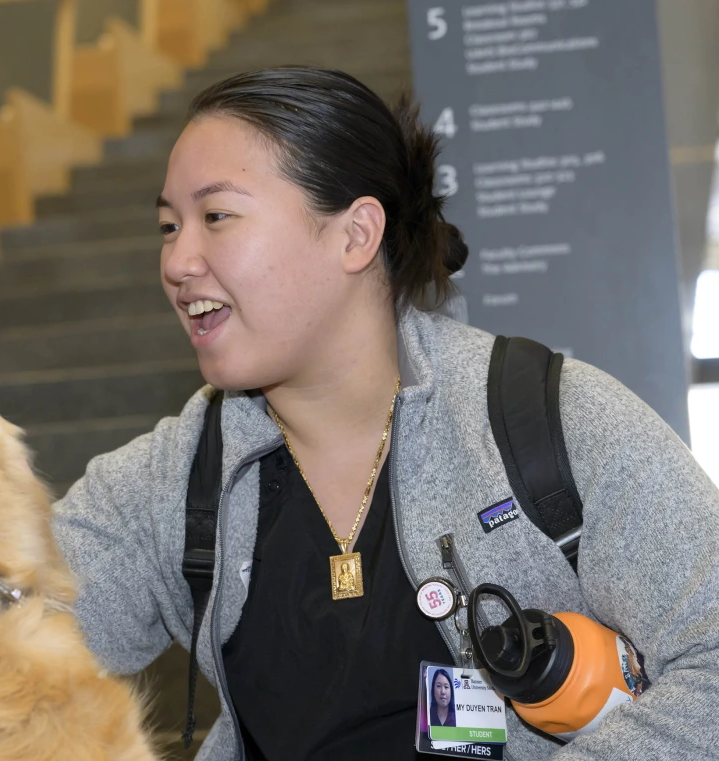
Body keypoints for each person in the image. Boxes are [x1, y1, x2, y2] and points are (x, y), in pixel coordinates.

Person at [51, 65, 719, 761]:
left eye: (216, 216)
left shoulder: (543, 423)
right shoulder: (175, 480)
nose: (178, 260)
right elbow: (2, 639)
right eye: (168, 225)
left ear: (355, 234)